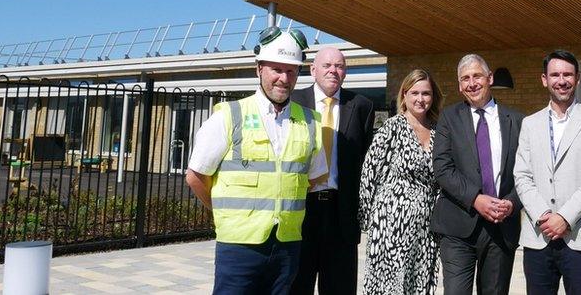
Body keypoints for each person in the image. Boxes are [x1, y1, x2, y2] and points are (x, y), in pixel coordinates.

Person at [185, 27, 326, 295]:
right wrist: (226, 213)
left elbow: (313, 179)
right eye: (277, 69)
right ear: (259, 69)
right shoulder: (229, 116)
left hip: (287, 245)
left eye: (291, 71)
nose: (284, 78)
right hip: (238, 246)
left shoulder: (309, 121)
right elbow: (195, 177)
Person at [514, 50, 581, 295]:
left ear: (577, 78)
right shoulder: (530, 124)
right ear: (544, 79)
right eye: (555, 74)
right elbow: (522, 175)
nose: (562, 80)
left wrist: (565, 217)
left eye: (568, 74)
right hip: (539, 237)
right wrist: (544, 215)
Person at [432, 54, 525, 295]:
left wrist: (512, 203)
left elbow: (527, 172)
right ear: (460, 85)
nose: (471, 83)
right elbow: (442, 167)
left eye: (476, 76)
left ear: (490, 78)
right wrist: (476, 198)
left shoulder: (517, 121)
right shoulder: (449, 118)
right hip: (458, 226)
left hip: (501, 226)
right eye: (465, 79)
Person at [290, 46, 376, 295]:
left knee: (340, 288)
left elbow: (364, 161)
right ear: (313, 69)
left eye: (339, 66)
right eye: (327, 65)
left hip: (341, 215)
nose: (333, 71)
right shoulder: (294, 102)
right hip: (301, 211)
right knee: (297, 285)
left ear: (345, 72)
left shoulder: (361, 106)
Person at [359, 69, 443, 294]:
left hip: (426, 227)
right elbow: (369, 173)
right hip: (390, 225)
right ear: (404, 95)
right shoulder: (392, 127)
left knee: (419, 284)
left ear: (433, 96)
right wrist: (368, 221)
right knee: (391, 287)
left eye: (426, 93)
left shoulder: (439, 130)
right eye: (414, 92)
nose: (420, 99)